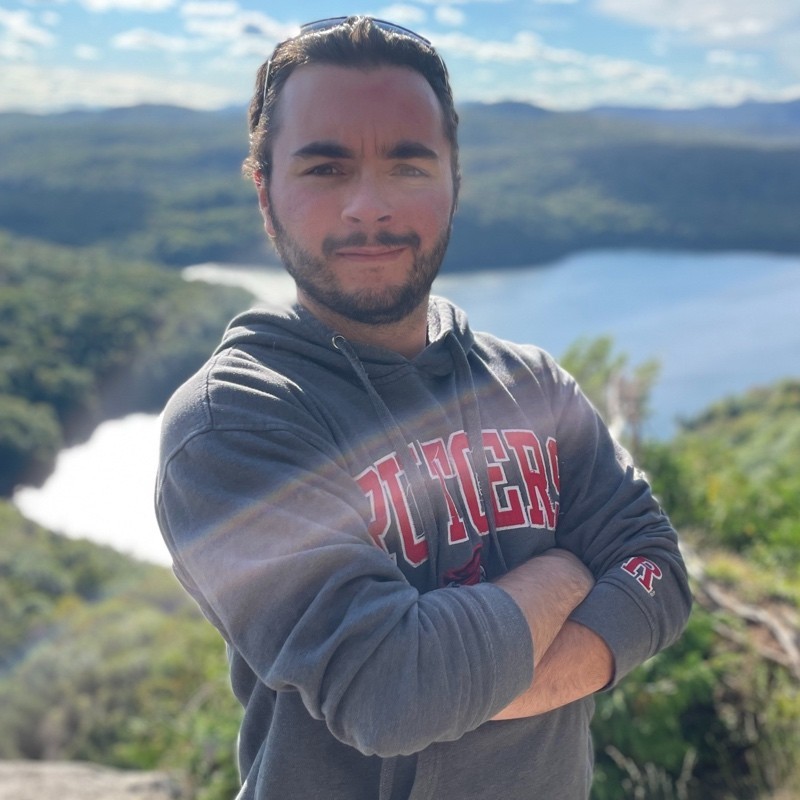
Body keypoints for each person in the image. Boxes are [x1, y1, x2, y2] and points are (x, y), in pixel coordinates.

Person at [155, 15, 692, 800]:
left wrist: (477, 682)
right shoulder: (233, 421)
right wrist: (565, 571)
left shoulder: (532, 385)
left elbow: (658, 572)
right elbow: (395, 693)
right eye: (326, 169)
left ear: (453, 182)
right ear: (266, 193)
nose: (369, 207)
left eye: (408, 166)